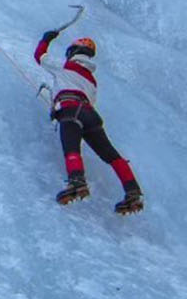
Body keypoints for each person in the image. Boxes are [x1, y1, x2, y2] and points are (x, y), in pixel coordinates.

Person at [32, 30, 144, 215]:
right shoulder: (92, 80)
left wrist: (46, 39)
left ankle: (77, 182)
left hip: (70, 109)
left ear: (72, 52)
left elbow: (40, 57)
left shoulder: (65, 66)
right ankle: (133, 191)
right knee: (111, 155)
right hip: (90, 114)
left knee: (71, 148)